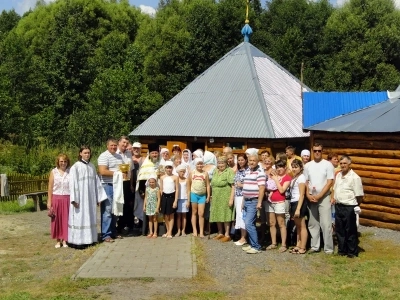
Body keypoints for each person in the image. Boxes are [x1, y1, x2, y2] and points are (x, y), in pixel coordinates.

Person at [69, 146, 107, 247]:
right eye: (85, 153)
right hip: (80, 199)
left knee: (90, 217)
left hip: (90, 198)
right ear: (80, 153)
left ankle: (90, 239)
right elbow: (72, 184)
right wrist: (74, 199)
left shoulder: (92, 166)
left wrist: (99, 197)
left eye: (88, 153)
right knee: (80, 218)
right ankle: (78, 241)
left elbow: (97, 183)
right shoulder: (75, 167)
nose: (87, 155)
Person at [304, 142, 335, 254]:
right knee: (313, 223)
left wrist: (320, 195)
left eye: (319, 151)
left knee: (326, 223)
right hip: (311, 197)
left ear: (322, 151)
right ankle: (315, 246)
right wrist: (308, 194)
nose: (317, 152)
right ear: (312, 151)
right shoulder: (307, 165)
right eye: (315, 150)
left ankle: (328, 248)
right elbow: (306, 181)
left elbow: (330, 181)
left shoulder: (327, 165)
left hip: (324, 197)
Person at [332, 155, 364, 258]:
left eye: (345, 163)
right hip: (339, 206)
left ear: (349, 164)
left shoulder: (355, 177)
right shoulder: (338, 175)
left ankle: (352, 252)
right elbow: (334, 189)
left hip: (349, 207)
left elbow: (359, 196)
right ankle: (342, 250)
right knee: (340, 230)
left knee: (350, 230)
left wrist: (355, 206)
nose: (342, 165)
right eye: (341, 163)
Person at [98, 138, 124, 243]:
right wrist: (117, 174)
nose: (113, 147)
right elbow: (102, 171)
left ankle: (113, 231)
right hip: (107, 185)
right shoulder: (103, 156)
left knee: (115, 210)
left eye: (114, 145)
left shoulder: (119, 156)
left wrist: (124, 173)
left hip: (117, 185)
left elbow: (122, 169)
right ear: (107, 146)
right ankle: (106, 234)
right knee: (107, 210)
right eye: (111, 145)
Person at [241, 155, 266, 254]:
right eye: (250, 160)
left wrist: (259, 202)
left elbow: (262, 188)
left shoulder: (260, 173)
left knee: (248, 223)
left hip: (253, 200)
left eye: (254, 161)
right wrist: (243, 201)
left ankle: (256, 246)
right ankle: (252, 244)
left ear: (257, 161)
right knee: (250, 224)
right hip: (246, 200)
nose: (251, 162)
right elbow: (246, 187)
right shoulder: (247, 171)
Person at [266, 160, 292, 253]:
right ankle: (273, 243)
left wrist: (276, 180)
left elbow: (282, 190)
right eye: (277, 167)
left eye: (281, 167)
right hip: (270, 202)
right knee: (272, 223)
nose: (279, 169)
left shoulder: (287, 178)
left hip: (280, 202)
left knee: (281, 223)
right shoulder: (272, 176)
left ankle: (284, 244)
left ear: (285, 167)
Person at [47, 154, 71, 248]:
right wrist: (49, 201)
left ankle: (65, 239)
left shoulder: (70, 171)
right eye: (61, 161)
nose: (63, 163)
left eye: (65, 161)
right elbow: (50, 187)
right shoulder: (54, 172)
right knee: (56, 219)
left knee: (66, 219)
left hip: (67, 197)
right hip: (56, 198)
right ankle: (58, 240)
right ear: (58, 162)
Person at [210, 156, 235, 242]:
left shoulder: (229, 171)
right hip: (216, 196)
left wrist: (231, 199)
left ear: (226, 163)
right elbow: (212, 183)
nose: (220, 165)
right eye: (219, 163)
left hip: (225, 196)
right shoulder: (215, 171)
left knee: (225, 214)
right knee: (217, 213)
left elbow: (233, 186)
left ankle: (227, 234)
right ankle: (220, 232)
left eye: (222, 163)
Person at [136, 143, 160, 227]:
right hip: (148, 192)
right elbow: (142, 178)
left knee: (157, 211)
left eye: (156, 153)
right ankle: (144, 228)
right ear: (149, 153)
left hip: (158, 192)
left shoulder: (161, 162)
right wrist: (142, 191)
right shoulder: (145, 164)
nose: (154, 155)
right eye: (152, 153)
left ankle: (158, 229)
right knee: (146, 210)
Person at [288, 159, 308, 254]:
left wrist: (298, 209)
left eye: (296, 167)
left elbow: (302, 194)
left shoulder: (302, 178)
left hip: (299, 203)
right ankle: (298, 244)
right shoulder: (295, 177)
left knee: (302, 226)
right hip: (293, 202)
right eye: (293, 167)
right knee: (298, 226)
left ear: (301, 168)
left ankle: (303, 247)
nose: (294, 169)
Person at [116, 136, 135, 234]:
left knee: (127, 204)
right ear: (119, 142)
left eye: (126, 143)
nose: (125, 145)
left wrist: (131, 184)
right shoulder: (115, 153)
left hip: (127, 182)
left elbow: (131, 170)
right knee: (118, 204)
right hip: (118, 182)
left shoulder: (128, 154)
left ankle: (124, 225)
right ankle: (117, 227)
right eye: (123, 142)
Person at [187, 158, 210, 237]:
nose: (200, 165)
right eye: (198, 164)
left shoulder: (205, 173)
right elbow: (189, 186)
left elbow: (207, 185)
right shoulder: (192, 173)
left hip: (202, 195)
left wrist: (208, 196)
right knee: (194, 212)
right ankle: (194, 230)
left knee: (201, 213)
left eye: (201, 164)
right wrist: (188, 198)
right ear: (195, 165)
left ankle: (201, 231)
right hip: (194, 194)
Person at [159, 161, 179, 239]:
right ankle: (167, 230)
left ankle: (170, 231)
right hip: (164, 197)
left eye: (170, 168)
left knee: (171, 215)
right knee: (165, 215)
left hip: (172, 197)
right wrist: (160, 201)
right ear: (165, 169)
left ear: (172, 168)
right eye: (167, 168)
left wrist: (175, 201)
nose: (168, 169)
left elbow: (177, 189)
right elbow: (161, 189)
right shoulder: (162, 177)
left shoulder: (175, 177)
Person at [233, 153, 248, 246]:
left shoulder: (248, 171)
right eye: (239, 160)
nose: (240, 161)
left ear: (246, 160)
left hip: (244, 195)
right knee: (239, 215)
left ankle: (244, 238)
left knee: (243, 216)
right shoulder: (238, 171)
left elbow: (251, 184)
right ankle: (242, 236)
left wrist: (241, 185)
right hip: (237, 196)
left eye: (242, 160)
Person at [175, 164, 189, 237]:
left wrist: (188, 200)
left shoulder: (186, 179)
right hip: (178, 199)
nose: (182, 173)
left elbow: (188, 190)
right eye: (181, 171)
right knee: (178, 216)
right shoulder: (175, 178)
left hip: (184, 199)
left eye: (184, 171)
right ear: (178, 172)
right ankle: (178, 230)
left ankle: (183, 230)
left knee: (184, 216)